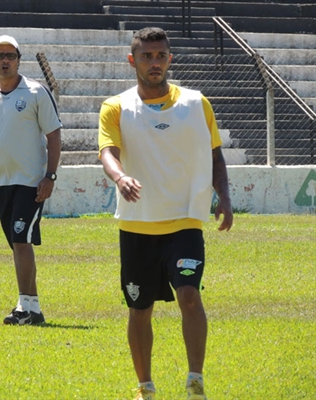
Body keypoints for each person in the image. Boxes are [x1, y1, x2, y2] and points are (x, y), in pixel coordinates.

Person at [98, 27, 233, 400]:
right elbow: (107, 151)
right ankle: (145, 387)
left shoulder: (196, 103)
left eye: (160, 56)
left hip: (184, 220)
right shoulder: (116, 106)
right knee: (139, 308)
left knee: (189, 294)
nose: (154, 63)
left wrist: (224, 195)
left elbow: (215, 155)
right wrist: (120, 176)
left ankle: (195, 382)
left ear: (170, 58)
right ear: (132, 60)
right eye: (146, 56)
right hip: (137, 223)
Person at [0, 35, 62, 326]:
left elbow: (53, 135)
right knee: (18, 243)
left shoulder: (35, 92)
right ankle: (32, 309)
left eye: (10, 55)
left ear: (19, 59)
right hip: (1, 183)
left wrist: (50, 176)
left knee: (21, 240)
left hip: (31, 182)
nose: (5, 61)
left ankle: (25, 306)